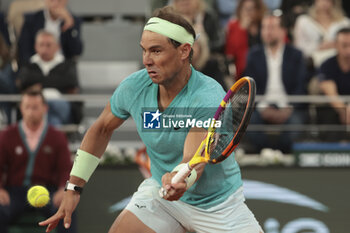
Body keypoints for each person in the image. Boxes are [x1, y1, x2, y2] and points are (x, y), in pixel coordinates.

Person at [39, 6, 263, 233]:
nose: (146, 60)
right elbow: (102, 129)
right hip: (161, 195)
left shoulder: (207, 95)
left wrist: (181, 177)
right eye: (144, 50)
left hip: (218, 206)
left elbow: (195, 156)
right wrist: (73, 187)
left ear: (184, 51)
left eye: (156, 51)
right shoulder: (134, 87)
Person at [0, 91, 77, 233]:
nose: (30, 112)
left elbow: (66, 168)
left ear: (44, 108)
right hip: (15, 191)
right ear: (21, 108)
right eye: (27, 107)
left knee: (67, 209)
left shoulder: (57, 136)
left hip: (48, 191)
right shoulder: (7, 135)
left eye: (35, 107)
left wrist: (63, 190)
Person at [244, 14, 307, 153]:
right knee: (248, 124)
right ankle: (266, 153)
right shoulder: (254, 55)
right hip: (261, 106)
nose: (267, 32)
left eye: (272, 27)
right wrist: (262, 107)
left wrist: (288, 108)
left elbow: (301, 86)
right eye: (264, 28)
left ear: (283, 31)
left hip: (290, 106)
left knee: (296, 125)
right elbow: (249, 86)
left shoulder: (296, 55)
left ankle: (281, 155)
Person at [17, 30, 82, 126]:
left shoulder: (68, 64)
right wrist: (57, 81)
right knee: (51, 118)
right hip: (34, 104)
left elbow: (71, 81)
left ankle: (43, 134)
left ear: (57, 46)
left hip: (60, 102)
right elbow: (23, 81)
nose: (44, 49)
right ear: (35, 46)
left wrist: (38, 84)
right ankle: (51, 136)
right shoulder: (28, 65)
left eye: (48, 45)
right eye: (41, 45)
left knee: (51, 107)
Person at [18, 0, 83, 65]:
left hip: (62, 68)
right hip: (35, 67)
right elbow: (23, 49)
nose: (55, 3)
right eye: (52, 0)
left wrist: (71, 27)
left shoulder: (73, 20)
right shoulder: (31, 19)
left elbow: (76, 51)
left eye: (59, 1)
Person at [294, 0, 350, 69]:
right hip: (311, 65)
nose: (324, 3)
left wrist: (336, 45)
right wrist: (319, 47)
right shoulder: (303, 21)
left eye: (328, 0)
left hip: (340, 64)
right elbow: (299, 48)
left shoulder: (344, 22)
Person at [317, 27, 350, 140]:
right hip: (334, 109)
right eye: (344, 45)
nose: (348, 50)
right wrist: (345, 111)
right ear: (336, 45)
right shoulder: (327, 65)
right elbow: (331, 94)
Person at [225, 0, 266, 80]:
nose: (248, 12)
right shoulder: (234, 26)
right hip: (243, 69)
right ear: (240, 10)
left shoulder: (265, 24)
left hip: (264, 66)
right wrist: (242, 29)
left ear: (258, 10)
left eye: (252, 9)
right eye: (245, 9)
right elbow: (230, 52)